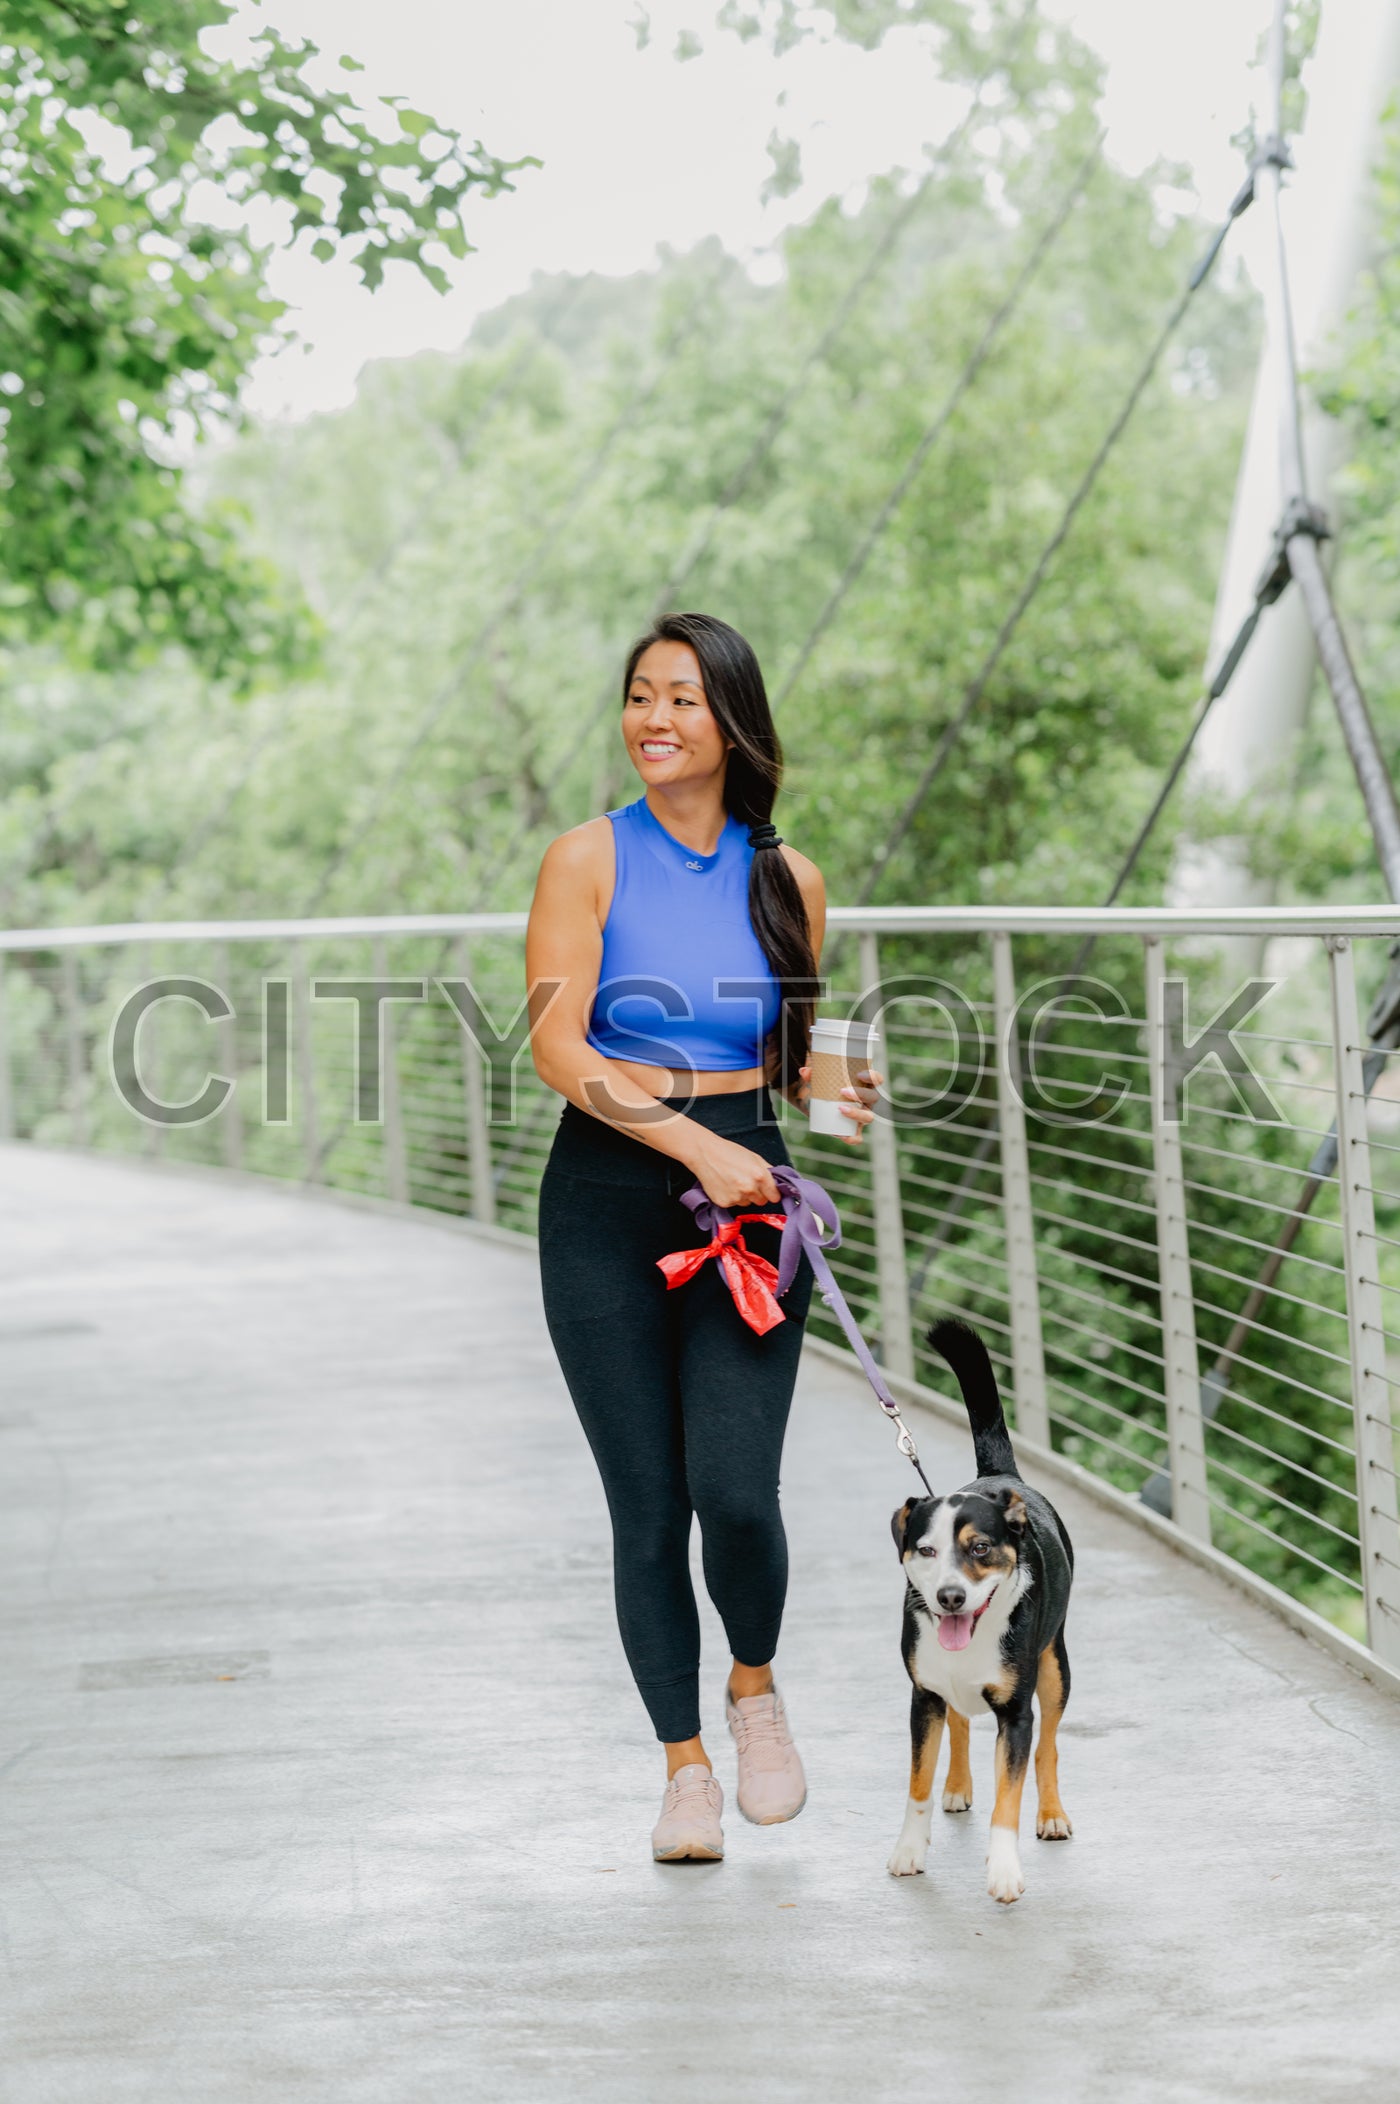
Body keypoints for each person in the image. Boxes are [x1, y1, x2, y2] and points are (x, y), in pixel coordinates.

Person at [525, 611, 880, 1862]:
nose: (653, 720)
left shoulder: (791, 879)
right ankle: (682, 1769)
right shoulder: (586, 859)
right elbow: (560, 1048)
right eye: (637, 696)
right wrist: (693, 1146)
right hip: (604, 1210)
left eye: (680, 697)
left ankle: (753, 1689)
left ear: (730, 720)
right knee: (645, 1506)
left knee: (733, 1492)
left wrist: (824, 1091)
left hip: (751, 1207)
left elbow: (782, 1066)